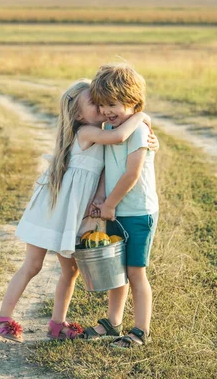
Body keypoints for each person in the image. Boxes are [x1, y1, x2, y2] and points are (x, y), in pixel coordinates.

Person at [0, 79, 158, 342]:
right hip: (52, 210)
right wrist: (141, 116)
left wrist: (150, 142)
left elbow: (115, 158)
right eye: (96, 103)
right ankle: (2, 317)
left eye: (105, 102)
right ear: (78, 114)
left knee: (71, 271)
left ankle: (57, 323)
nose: (103, 109)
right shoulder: (87, 133)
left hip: (72, 214)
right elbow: (120, 136)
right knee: (32, 265)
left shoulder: (100, 133)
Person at [83, 63, 159, 349]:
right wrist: (101, 198)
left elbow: (132, 173)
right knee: (116, 269)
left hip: (138, 211)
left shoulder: (138, 130)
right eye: (101, 106)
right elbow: (107, 168)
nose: (105, 112)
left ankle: (140, 331)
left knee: (135, 271)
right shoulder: (112, 128)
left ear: (132, 102)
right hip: (116, 208)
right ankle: (113, 322)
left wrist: (111, 203)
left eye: (112, 104)